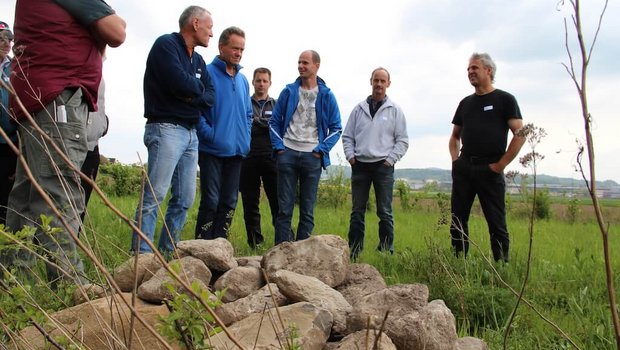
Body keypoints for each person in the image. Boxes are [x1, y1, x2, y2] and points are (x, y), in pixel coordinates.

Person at [5, 0, 125, 285]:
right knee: (60, 191)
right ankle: (72, 286)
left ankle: (12, 280)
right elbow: (117, 31)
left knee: (27, 195)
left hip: (37, 99)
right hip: (58, 100)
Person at [130, 6, 215, 254]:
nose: (211, 33)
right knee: (154, 195)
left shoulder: (198, 60)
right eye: (209, 27)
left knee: (185, 199)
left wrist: (190, 93)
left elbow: (210, 96)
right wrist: (191, 90)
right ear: (196, 23)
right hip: (165, 128)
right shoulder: (166, 45)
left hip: (191, 133)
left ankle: (167, 253)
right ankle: (142, 256)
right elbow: (177, 81)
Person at [448, 52, 525, 262]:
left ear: (488, 71)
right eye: (468, 69)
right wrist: (456, 161)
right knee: (457, 220)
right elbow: (455, 136)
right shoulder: (465, 103)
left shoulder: (505, 100)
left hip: (490, 169)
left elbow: (520, 134)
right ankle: (458, 262)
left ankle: (501, 266)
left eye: (475, 68)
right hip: (465, 168)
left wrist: (501, 165)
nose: (470, 72)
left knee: (496, 222)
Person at [269, 50, 342, 245]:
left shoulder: (326, 95)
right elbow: (274, 122)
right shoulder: (288, 91)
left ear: (316, 66)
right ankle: (281, 254)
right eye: (299, 62)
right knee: (284, 209)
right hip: (288, 154)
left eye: (305, 63)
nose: (301, 66)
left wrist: (320, 150)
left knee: (307, 210)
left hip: (312, 157)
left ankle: (302, 257)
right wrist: (279, 147)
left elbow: (336, 128)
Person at [342, 67, 409, 259]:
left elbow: (402, 140)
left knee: (385, 212)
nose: (379, 84)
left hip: (383, 167)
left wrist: (390, 160)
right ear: (370, 81)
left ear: (388, 84)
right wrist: (351, 156)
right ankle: (354, 251)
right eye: (376, 80)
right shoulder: (358, 109)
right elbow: (347, 136)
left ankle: (386, 251)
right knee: (357, 212)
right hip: (360, 165)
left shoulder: (395, 110)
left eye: (382, 81)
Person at [195, 26, 252, 240]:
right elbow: (197, 110)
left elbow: (248, 114)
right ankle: (202, 246)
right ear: (221, 47)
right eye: (235, 48)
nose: (238, 53)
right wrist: (210, 135)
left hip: (237, 151)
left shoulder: (243, 80)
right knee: (210, 200)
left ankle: (220, 248)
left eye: (242, 49)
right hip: (211, 149)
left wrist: (245, 138)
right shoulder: (207, 73)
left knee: (230, 202)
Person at [239, 67, 279, 248]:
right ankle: (255, 244)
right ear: (253, 83)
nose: (261, 84)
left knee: (277, 202)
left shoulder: (276, 105)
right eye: (258, 80)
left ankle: (283, 242)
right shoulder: (244, 103)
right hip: (248, 157)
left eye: (265, 81)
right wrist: (265, 124)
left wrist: (256, 121)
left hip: (272, 157)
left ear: (270, 83)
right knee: (250, 203)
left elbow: (277, 126)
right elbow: (243, 124)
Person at [80, 77, 109, 230]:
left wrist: (102, 125)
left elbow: (100, 104)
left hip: (92, 147)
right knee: (62, 203)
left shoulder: (99, 73)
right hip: (72, 143)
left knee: (80, 206)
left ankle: (70, 249)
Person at [0, 21, 16, 227]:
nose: (7, 43)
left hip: (9, 143)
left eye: (9, 39)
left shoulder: (16, 67)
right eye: (1, 38)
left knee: (5, 199)